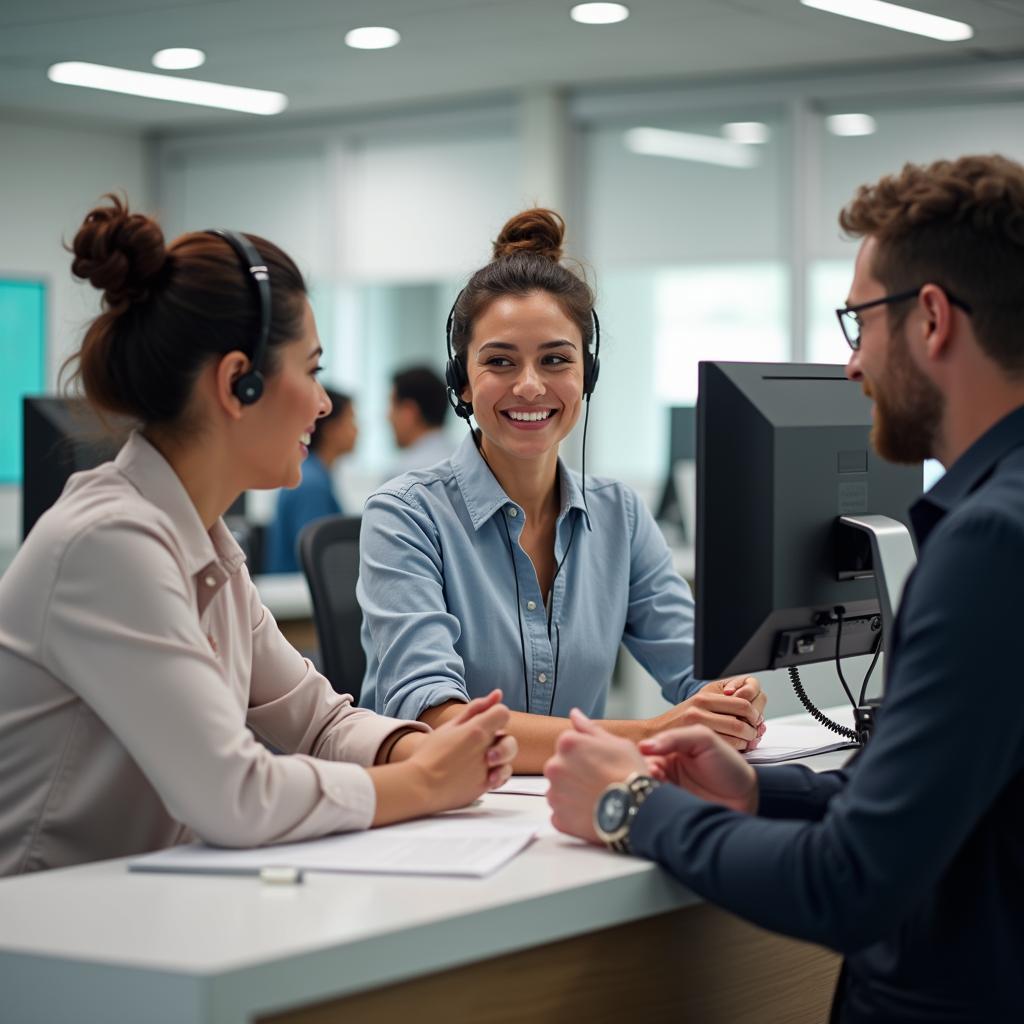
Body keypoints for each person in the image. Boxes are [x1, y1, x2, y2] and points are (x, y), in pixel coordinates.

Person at [544, 155, 1024, 1022]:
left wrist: (633, 805)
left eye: (858, 321)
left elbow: (849, 883)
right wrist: (763, 790)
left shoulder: (990, 543)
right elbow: (949, 796)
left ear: (931, 319)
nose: (850, 365)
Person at [0, 195, 516, 877]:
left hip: (140, 912)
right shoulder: (108, 543)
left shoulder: (202, 544)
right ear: (237, 383)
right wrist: (424, 786)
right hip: (46, 941)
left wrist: (419, 749)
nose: (325, 404)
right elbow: (234, 795)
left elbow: (318, 723)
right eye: (312, 370)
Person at [357, 208, 766, 771]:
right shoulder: (405, 516)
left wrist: (731, 700)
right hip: (439, 823)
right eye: (500, 361)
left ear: (586, 376)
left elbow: (700, 668)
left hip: (572, 815)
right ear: (463, 380)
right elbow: (441, 722)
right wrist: (648, 732)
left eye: (555, 360)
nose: (529, 385)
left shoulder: (619, 515)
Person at [264, 386, 356, 573]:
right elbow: (325, 562)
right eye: (351, 420)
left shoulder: (315, 474)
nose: (357, 429)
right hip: (295, 596)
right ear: (332, 430)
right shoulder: (311, 485)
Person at [384, 365, 453, 479]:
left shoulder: (401, 476)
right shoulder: (466, 461)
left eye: (392, 406)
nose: (388, 417)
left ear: (409, 412)